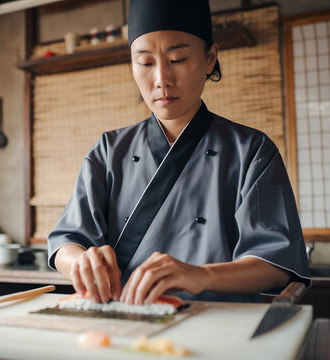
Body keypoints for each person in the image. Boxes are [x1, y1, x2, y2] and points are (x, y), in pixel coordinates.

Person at [48, 0, 310, 305]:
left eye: (178, 58)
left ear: (210, 59)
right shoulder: (108, 151)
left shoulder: (251, 151)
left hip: (218, 328)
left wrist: (200, 275)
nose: (161, 80)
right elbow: (66, 243)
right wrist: (80, 261)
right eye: (145, 63)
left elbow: (275, 264)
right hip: (125, 324)